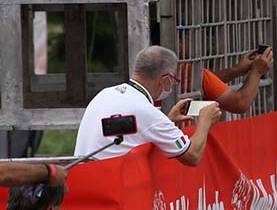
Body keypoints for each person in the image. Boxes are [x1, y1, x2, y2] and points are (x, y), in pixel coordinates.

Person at [74, 45, 222, 166]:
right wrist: (205, 122)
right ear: (165, 79)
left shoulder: (107, 93)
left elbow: (130, 132)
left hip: (85, 180)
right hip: (112, 188)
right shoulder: (146, 111)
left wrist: (167, 122)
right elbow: (192, 156)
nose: (172, 85)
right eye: (174, 80)